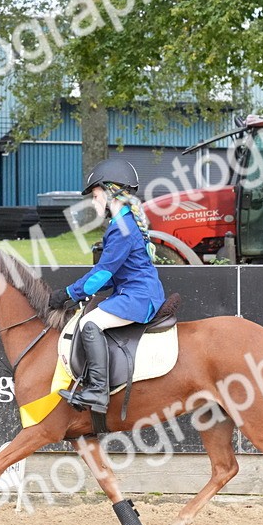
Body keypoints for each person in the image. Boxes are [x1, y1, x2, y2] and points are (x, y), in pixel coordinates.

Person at [48, 158, 165, 415]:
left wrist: (69, 293)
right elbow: (115, 274)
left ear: (111, 191)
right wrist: (83, 294)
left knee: (92, 324)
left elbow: (103, 272)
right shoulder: (122, 223)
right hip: (133, 292)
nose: (93, 201)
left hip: (138, 297)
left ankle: (98, 392)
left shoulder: (122, 227)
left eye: (95, 194)